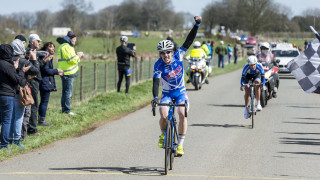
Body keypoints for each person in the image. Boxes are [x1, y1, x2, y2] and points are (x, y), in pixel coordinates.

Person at [152, 16, 202, 156]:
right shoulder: (158, 65)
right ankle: (163, 135)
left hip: (180, 92)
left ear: (172, 52)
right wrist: (155, 97)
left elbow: (189, 40)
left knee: (182, 114)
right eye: (162, 53)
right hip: (167, 93)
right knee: (163, 114)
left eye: (168, 52)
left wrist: (197, 24)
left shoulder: (179, 55)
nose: (165, 55)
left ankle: (180, 144)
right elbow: (155, 82)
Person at [0, 44, 27, 151]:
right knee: (7, 120)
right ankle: (3, 145)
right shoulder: (7, 65)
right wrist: (21, 71)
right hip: (6, 95)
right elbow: (18, 81)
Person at [57, 31, 84, 115]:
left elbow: (71, 59)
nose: (75, 40)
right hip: (67, 73)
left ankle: (64, 109)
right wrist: (79, 56)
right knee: (68, 92)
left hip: (66, 72)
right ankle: (67, 110)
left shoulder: (65, 46)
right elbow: (71, 60)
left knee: (65, 92)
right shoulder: (66, 47)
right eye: (74, 39)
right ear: (70, 39)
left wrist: (77, 57)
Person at [38, 42, 64, 126]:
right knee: (44, 102)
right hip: (44, 82)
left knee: (43, 101)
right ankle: (42, 121)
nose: (53, 49)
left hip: (44, 81)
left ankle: (39, 119)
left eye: (54, 47)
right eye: (51, 47)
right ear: (46, 48)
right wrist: (57, 71)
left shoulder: (46, 56)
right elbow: (46, 70)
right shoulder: (45, 56)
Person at [25, 34, 43, 136]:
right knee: (33, 105)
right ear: (31, 42)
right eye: (38, 41)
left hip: (35, 81)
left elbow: (37, 66)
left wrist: (43, 60)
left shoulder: (34, 52)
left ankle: (30, 127)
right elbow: (34, 70)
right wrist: (34, 58)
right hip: (31, 81)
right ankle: (32, 129)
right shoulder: (28, 52)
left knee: (33, 104)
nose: (39, 43)